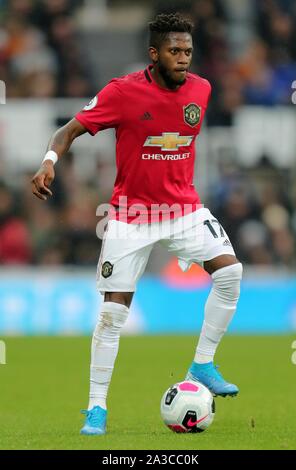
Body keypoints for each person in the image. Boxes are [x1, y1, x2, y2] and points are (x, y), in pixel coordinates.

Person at [31, 13, 243, 436]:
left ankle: (202, 363)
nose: (183, 59)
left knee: (231, 273)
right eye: (174, 51)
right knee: (112, 315)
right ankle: (96, 409)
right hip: (132, 217)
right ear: (154, 53)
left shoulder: (201, 90)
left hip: (184, 209)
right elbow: (69, 130)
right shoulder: (122, 93)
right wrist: (49, 162)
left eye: (187, 51)